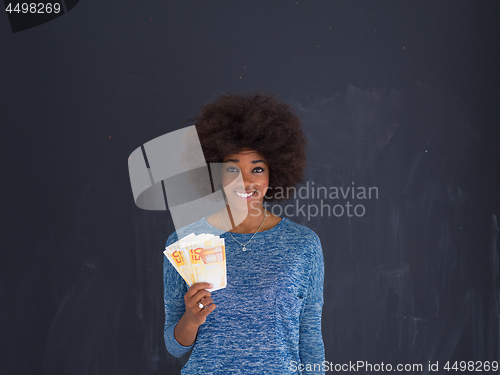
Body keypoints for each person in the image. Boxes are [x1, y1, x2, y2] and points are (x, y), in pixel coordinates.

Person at [163, 91, 325, 374]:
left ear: (274, 173)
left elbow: (310, 340)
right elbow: (175, 346)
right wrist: (190, 318)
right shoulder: (185, 243)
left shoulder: (303, 245)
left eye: (257, 169)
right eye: (231, 168)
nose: (246, 181)